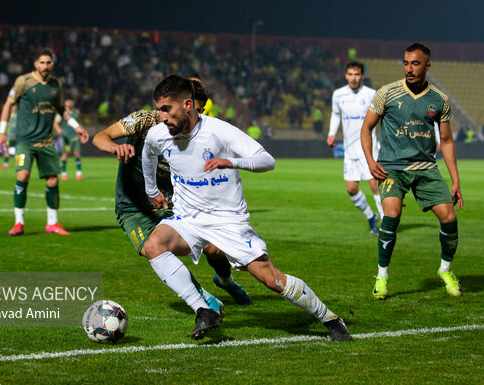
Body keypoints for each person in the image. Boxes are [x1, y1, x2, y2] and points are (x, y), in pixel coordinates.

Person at [142, 75, 351, 341]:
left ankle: (330, 319)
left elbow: (266, 159)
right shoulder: (158, 134)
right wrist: (152, 191)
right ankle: (203, 309)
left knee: (271, 279)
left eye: (165, 109)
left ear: (187, 104)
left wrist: (231, 162)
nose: (161, 117)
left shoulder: (219, 131)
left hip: (227, 220)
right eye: (159, 110)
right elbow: (148, 154)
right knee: (153, 246)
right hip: (188, 217)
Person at [92, 80, 251, 312]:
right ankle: (204, 300)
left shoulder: (202, 132)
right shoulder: (145, 121)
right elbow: (100, 136)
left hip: (174, 204)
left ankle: (226, 281)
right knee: (153, 248)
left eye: (198, 111)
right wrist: (114, 148)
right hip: (135, 206)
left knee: (215, 249)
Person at [361, 43, 464, 300]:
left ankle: (445, 270)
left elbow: (447, 141)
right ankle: (382, 277)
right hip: (392, 168)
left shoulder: (439, 100)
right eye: (406, 63)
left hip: (426, 167)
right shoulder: (387, 93)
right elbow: (366, 128)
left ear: (427, 66)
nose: (409, 68)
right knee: (392, 214)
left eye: (415, 64)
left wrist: (455, 180)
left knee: (449, 218)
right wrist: (370, 161)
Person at [0, 47, 89, 236]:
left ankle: (52, 223)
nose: (45, 66)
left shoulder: (56, 84)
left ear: (52, 64)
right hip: (25, 141)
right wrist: (2, 132)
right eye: (42, 62)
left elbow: (61, 108)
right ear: (35, 64)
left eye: (48, 63)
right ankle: (19, 223)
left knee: (53, 180)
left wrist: (76, 125)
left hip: (47, 142)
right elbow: (8, 104)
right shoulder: (23, 82)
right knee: (22, 176)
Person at [327, 61, 383, 235]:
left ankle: (386, 225)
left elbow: (381, 118)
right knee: (351, 189)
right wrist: (331, 133)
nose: (353, 78)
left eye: (357, 74)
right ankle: (370, 215)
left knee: (375, 185)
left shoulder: (372, 94)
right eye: (350, 74)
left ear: (362, 76)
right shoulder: (338, 95)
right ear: (345, 76)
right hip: (350, 149)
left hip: (368, 148)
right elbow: (336, 115)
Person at [54, 98, 87, 180]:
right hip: (66, 137)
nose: (69, 103)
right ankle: (64, 173)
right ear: (65, 102)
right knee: (65, 155)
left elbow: (79, 123)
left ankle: (79, 173)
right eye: (68, 101)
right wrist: (58, 129)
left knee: (77, 154)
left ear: (73, 102)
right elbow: (56, 123)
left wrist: (82, 133)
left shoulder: (76, 112)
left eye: (71, 101)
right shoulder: (62, 112)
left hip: (74, 136)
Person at [1, 104, 18, 169]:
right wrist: (5, 134)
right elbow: (7, 126)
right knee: (6, 150)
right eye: (13, 107)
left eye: (15, 106)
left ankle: (19, 165)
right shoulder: (9, 116)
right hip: (10, 136)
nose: (14, 108)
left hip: (17, 137)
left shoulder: (19, 116)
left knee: (19, 151)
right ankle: (5, 165)